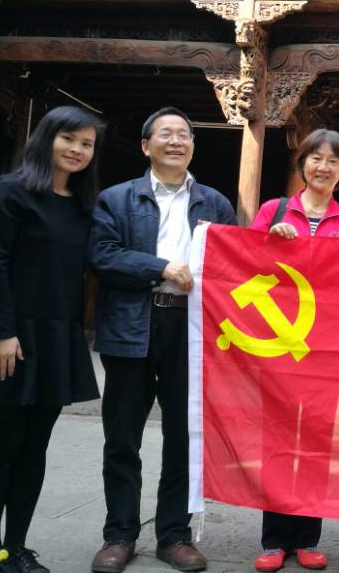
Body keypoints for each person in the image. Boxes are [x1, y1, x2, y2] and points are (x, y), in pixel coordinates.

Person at [0, 106, 105, 573]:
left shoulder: (82, 205)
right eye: (68, 139)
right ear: (46, 138)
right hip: (10, 337)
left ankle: (15, 548)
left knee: (35, 450)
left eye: (87, 144)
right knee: (3, 446)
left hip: (57, 337)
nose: (77, 150)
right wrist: (2, 333)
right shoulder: (11, 192)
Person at [88, 107, 236, 573]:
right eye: (166, 134)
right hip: (131, 325)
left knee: (184, 437)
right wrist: (161, 268)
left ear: (193, 145)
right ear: (145, 145)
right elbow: (102, 256)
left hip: (189, 330)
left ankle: (174, 535)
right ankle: (119, 534)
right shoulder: (116, 199)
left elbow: (235, 263)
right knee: (122, 436)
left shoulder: (215, 203)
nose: (176, 141)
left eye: (184, 135)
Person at [249, 129, 339, 573]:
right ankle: (274, 539)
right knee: (276, 441)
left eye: (333, 160)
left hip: (327, 347)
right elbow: (244, 268)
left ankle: (307, 538)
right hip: (279, 343)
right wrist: (268, 243)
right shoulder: (273, 211)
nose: (323, 167)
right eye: (315, 158)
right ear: (302, 164)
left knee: (316, 442)